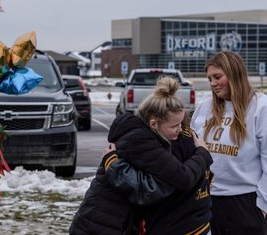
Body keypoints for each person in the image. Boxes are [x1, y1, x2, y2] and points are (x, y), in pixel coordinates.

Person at [70, 77, 213, 235]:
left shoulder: (148, 136)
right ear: (154, 124)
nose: (180, 130)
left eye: (181, 124)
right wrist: (202, 153)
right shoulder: (141, 142)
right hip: (100, 224)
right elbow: (161, 185)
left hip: (110, 221)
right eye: (174, 126)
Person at [191, 50, 267, 235]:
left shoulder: (263, 108)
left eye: (217, 77)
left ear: (234, 74)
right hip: (210, 200)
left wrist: (262, 206)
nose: (213, 83)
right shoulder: (205, 108)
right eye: (209, 79)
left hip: (248, 202)